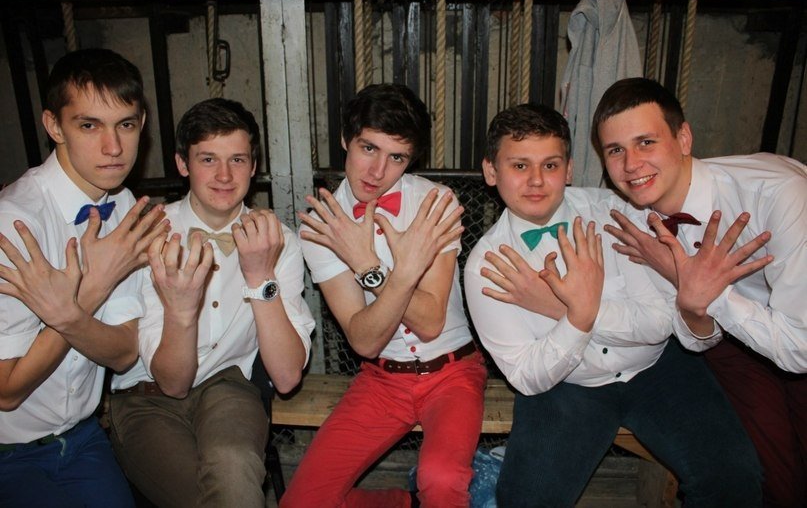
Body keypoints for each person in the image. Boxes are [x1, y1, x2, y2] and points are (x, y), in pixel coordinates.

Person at [464, 103, 762, 506]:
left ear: (569, 170)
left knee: (735, 478)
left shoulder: (617, 212)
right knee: (525, 502)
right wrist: (579, 317)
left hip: (658, 367)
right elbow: (527, 377)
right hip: (567, 386)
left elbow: (662, 320)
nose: (536, 181)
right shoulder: (487, 265)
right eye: (520, 166)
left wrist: (570, 311)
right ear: (491, 171)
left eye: (550, 165)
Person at [594, 77, 807, 507]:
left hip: (797, 332)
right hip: (732, 340)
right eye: (615, 150)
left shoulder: (777, 195)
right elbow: (694, 336)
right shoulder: (633, 218)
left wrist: (689, 280)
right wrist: (693, 301)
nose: (632, 164)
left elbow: (799, 348)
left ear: (684, 138)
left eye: (646, 142)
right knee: (773, 479)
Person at [282, 83, 487, 507]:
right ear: (346, 139)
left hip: (452, 372)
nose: (377, 171)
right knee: (301, 501)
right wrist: (401, 273)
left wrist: (367, 266)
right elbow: (364, 340)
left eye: (397, 157)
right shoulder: (322, 226)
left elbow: (430, 322)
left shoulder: (435, 201)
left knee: (442, 480)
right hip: (382, 380)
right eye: (369, 148)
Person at [108, 98, 315, 508]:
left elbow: (287, 376)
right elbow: (172, 382)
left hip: (228, 387)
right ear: (182, 164)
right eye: (208, 159)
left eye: (237, 159)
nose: (224, 175)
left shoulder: (279, 240)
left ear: (253, 166)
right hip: (146, 397)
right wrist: (181, 307)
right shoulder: (146, 235)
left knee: (234, 463)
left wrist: (260, 276)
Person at [0, 48, 168, 507]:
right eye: (89, 126)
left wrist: (69, 313)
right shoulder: (15, 224)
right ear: (54, 126)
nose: (113, 148)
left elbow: (123, 352)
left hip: (82, 437)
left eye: (126, 125)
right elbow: (7, 391)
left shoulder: (123, 204)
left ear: (142, 123)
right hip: (8, 453)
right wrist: (92, 291)